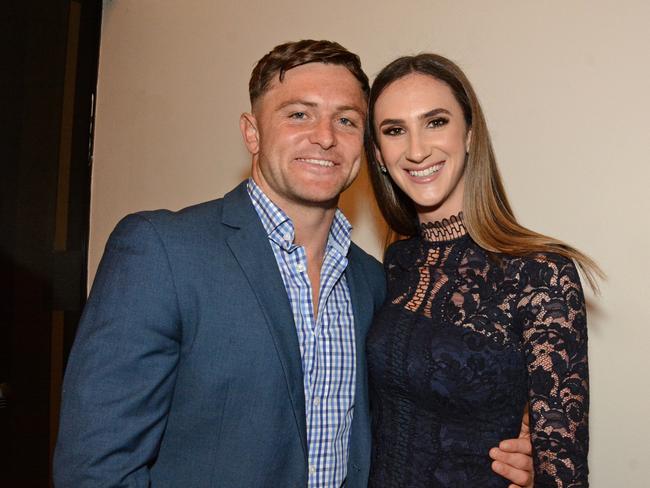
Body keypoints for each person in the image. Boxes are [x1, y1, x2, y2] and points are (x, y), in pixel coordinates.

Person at [54, 41, 533, 487]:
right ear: (252, 132)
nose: (324, 137)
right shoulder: (162, 251)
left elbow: (410, 413)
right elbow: (97, 468)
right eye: (299, 114)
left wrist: (510, 442)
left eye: (346, 120)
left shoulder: (374, 278)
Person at [365, 53, 600, 487]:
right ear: (379, 154)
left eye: (436, 122)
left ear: (470, 134)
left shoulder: (539, 274)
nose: (417, 150)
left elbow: (564, 473)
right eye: (395, 131)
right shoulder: (394, 266)